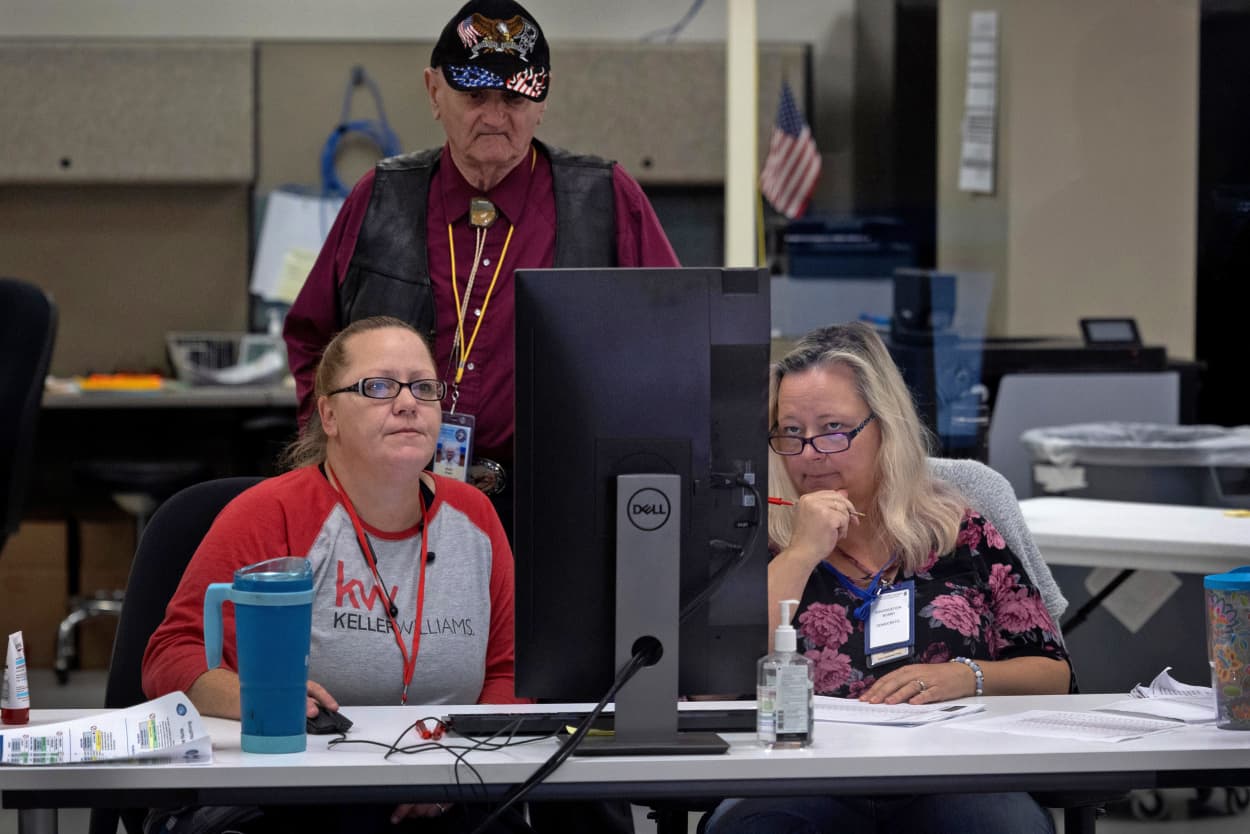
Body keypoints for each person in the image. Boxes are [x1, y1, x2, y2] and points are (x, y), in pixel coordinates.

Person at [283, 0, 680, 534]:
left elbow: (672, 343)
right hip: (394, 496)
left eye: (513, 97)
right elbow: (313, 339)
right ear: (433, 92)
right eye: (474, 96)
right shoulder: (380, 198)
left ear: (542, 99)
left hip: (562, 504)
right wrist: (336, 450)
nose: (495, 116)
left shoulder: (606, 199)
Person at [143, 316, 524, 833]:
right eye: (379, 386)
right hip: (296, 791)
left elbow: (513, 673)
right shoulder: (270, 514)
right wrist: (257, 699)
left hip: (449, 791)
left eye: (424, 387)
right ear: (328, 414)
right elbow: (172, 654)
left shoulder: (475, 517)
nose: (408, 402)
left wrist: (453, 773)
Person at [704, 322, 1073, 834]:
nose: (811, 453)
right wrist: (802, 552)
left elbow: (1055, 675)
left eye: (834, 429)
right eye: (791, 431)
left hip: (955, 773)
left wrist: (968, 676)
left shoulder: (959, 527)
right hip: (795, 776)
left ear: (886, 428)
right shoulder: (751, 533)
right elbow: (711, 679)